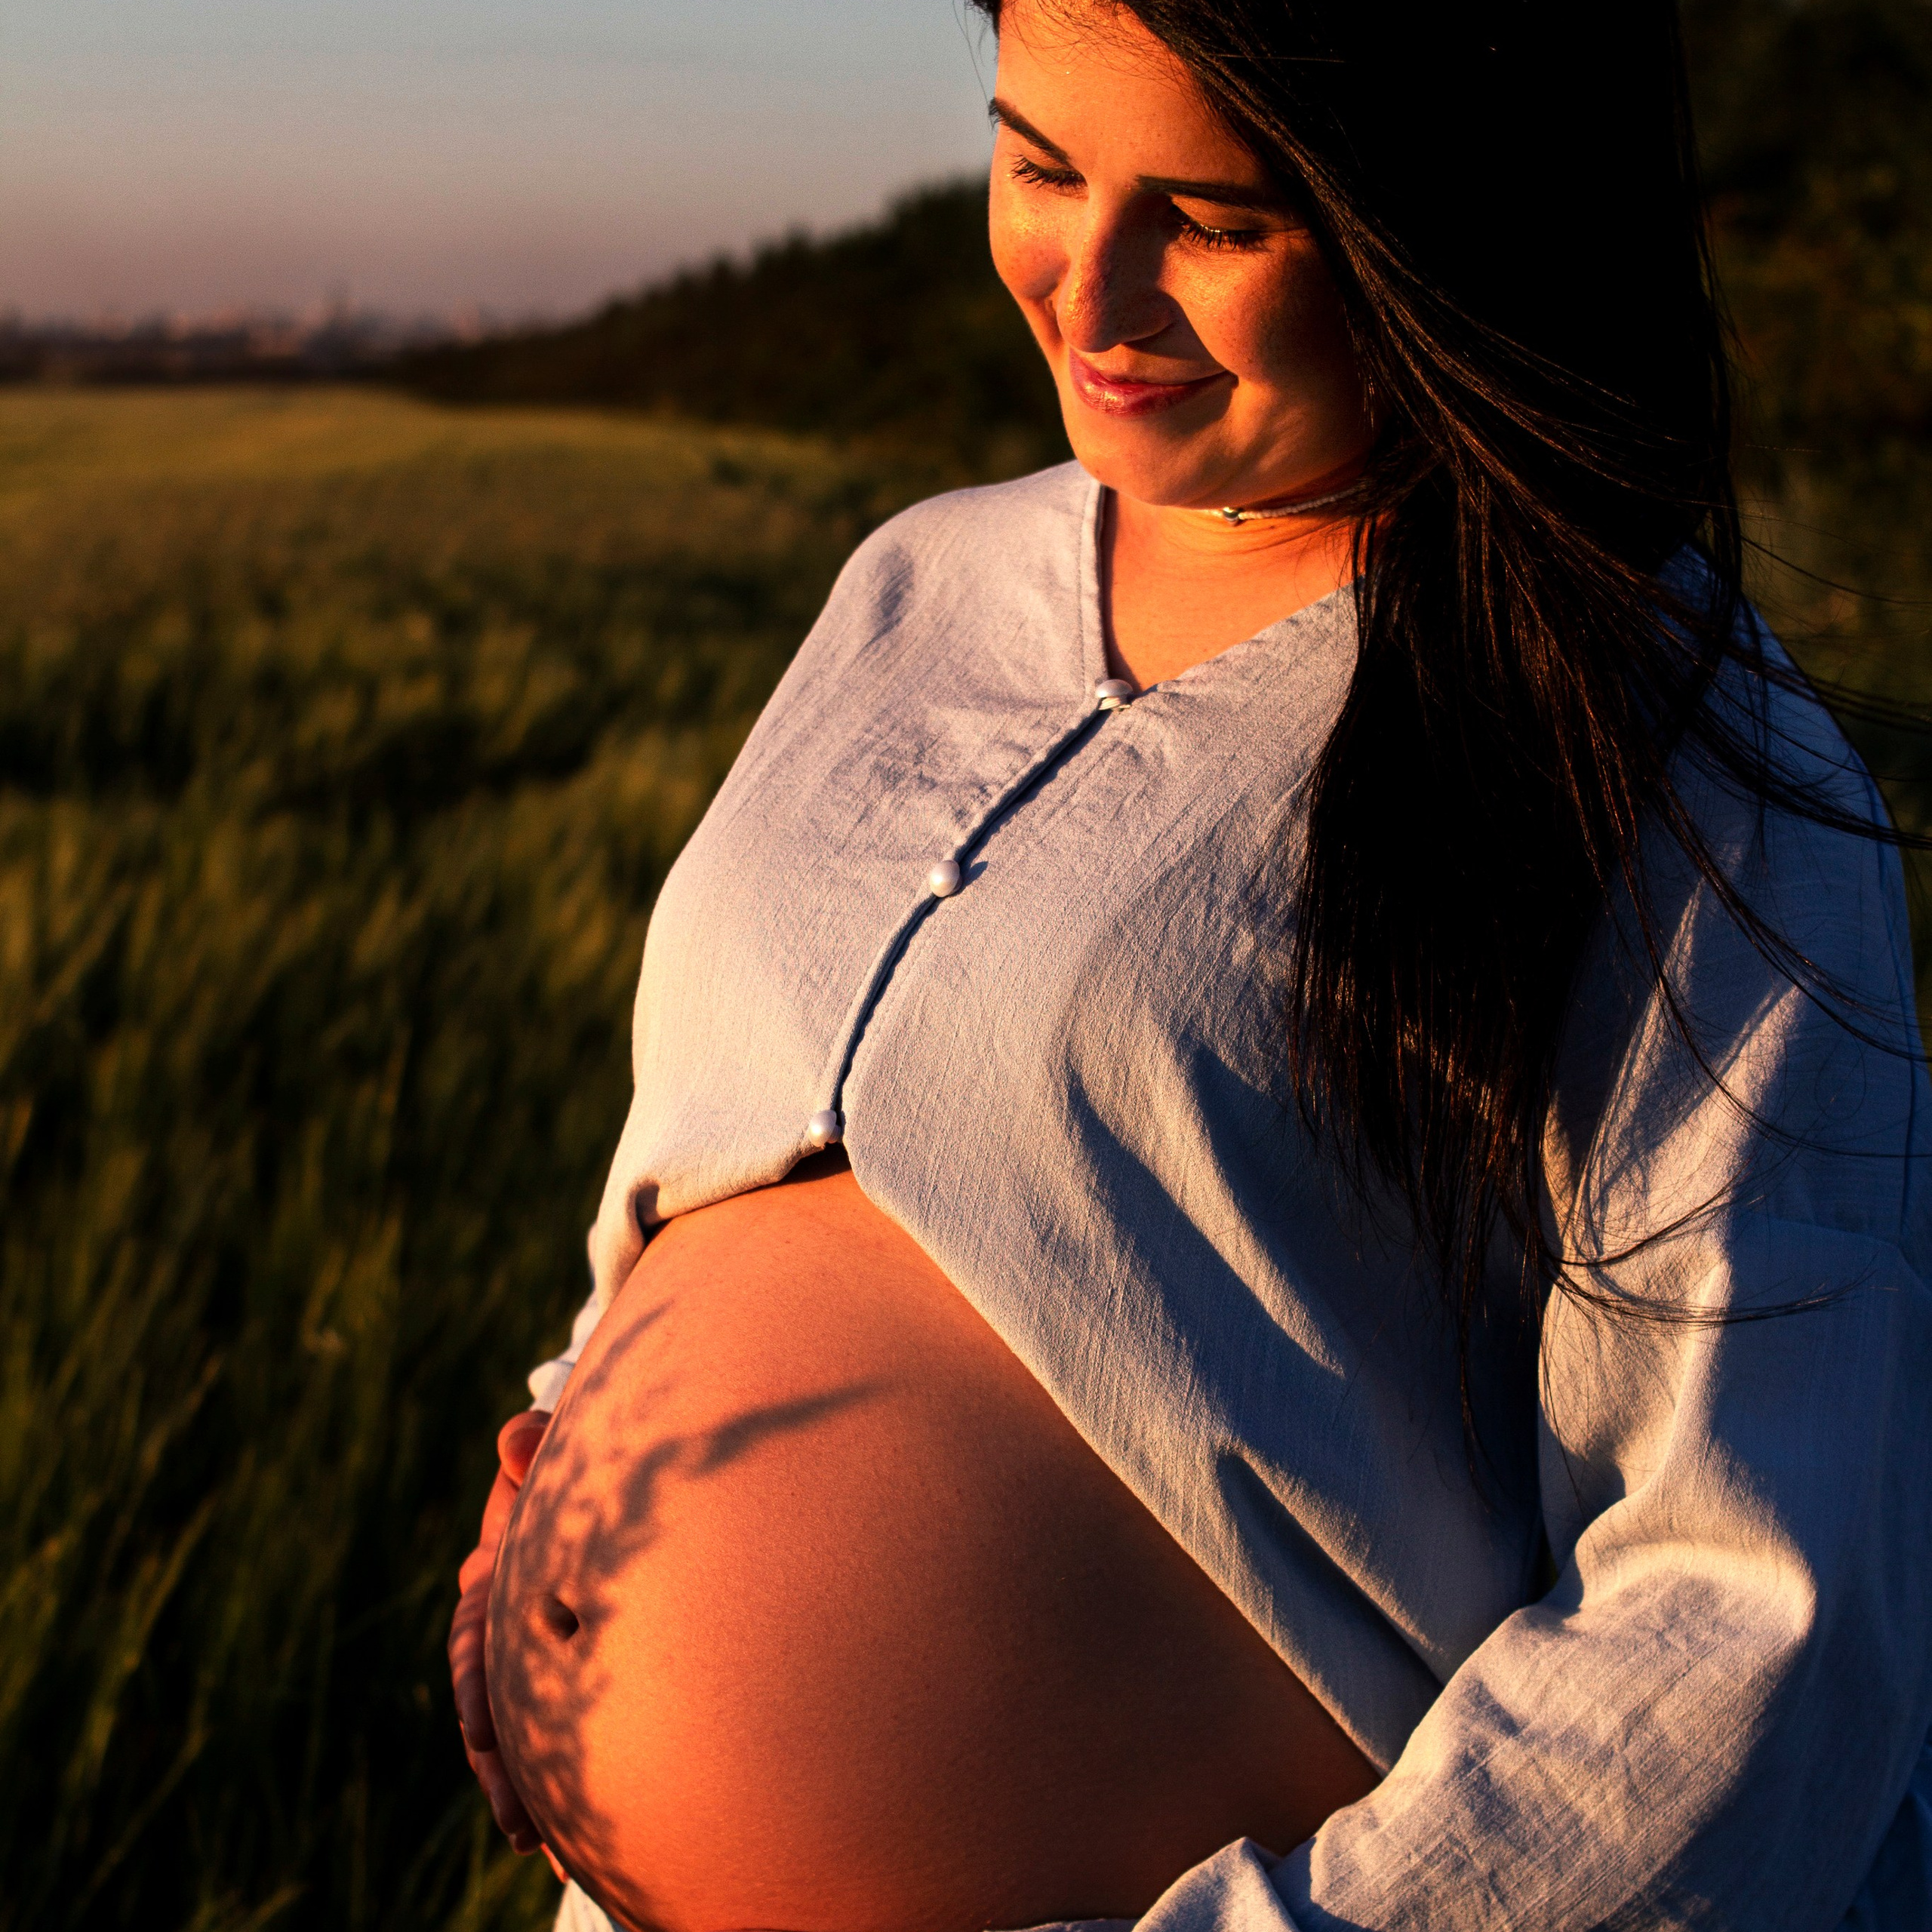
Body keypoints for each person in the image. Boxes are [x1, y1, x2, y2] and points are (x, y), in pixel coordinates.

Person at [447, 1, 1932, 1926]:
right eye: (1039, 163)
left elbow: (1750, 1625)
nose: (1091, 288)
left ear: (1453, 228)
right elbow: (704, 1147)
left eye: (1216, 217)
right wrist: (564, 1479)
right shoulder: (915, 586)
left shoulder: (1661, 754)